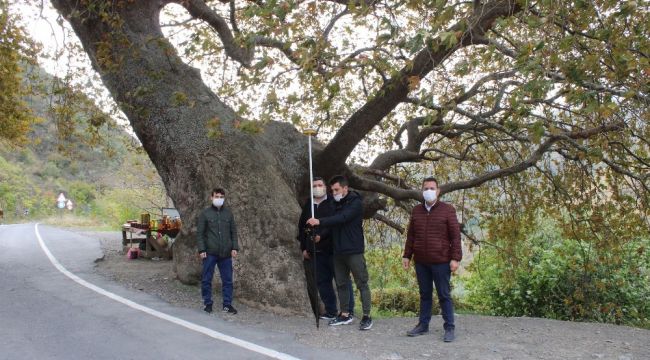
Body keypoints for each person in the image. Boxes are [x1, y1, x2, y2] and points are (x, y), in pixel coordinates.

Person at [307, 175, 373, 330]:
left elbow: (342, 218)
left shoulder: (355, 203)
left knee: (361, 283)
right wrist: (320, 235)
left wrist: (320, 221)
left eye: (336, 189)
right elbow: (332, 225)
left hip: (354, 250)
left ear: (345, 188)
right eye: (332, 190)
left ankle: (367, 316)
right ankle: (344, 314)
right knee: (341, 284)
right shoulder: (334, 204)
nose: (334, 192)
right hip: (338, 251)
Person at [402, 177, 462, 342]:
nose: (429, 191)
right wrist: (407, 255)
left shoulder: (447, 210)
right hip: (421, 261)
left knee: (444, 294)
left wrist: (455, 258)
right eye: (426, 188)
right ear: (422, 191)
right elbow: (411, 235)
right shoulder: (416, 211)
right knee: (425, 294)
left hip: (441, 261)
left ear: (438, 191)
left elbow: (455, 237)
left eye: (432, 188)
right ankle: (423, 325)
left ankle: (449, 327)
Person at [297, 177, 355, 320]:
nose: (317, 187)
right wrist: (304, 247)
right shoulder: (309, 205)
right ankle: (330, 311)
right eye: (314, 186)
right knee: (323, 283)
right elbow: (302, 227)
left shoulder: (333, 202)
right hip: (315, 252)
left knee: (342, 281)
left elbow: (336, 223)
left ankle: (348, 311)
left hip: (333, 249)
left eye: (320, 185)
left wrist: (322, 236)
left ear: (325, 187)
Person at [197, 188, 239, 314]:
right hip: (210, 252)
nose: (219, 199)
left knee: (227, 280)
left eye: (221, 197)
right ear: (211, 197)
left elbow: (234, 232)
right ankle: (207, 303)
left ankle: (227, 304)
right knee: (206, 279)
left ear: (224, 198)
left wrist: (235, 247)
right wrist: (202, 249)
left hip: (226, 253)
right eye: (216, 196)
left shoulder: (228, 214)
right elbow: (200, 234)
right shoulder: (205, 214)